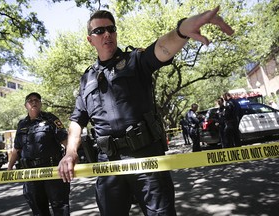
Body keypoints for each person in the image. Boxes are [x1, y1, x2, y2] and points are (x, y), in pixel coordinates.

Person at [58, 7, 234, 216]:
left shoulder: (134, 60)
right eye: (99, 31)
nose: (106, 34)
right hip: (108, 163)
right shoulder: (86, 79)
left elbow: (161, 48)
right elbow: (77, 121)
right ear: (90, 40)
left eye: (110, 29)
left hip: (146, 158)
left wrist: (181, 31)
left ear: (115, 33)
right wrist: (70, 153)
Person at [8, 92, 70, 216]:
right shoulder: (22, 124)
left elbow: (65, 141)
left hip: (53, 171)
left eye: (36, 100)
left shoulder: (51, 119)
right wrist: (9, 167)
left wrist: (70, 157)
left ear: (40, 104)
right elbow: (17, 148)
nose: (34, 102)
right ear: (26, 105)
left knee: (60, 208)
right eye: (30, 100)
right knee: (38, 210)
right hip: (31, 174)